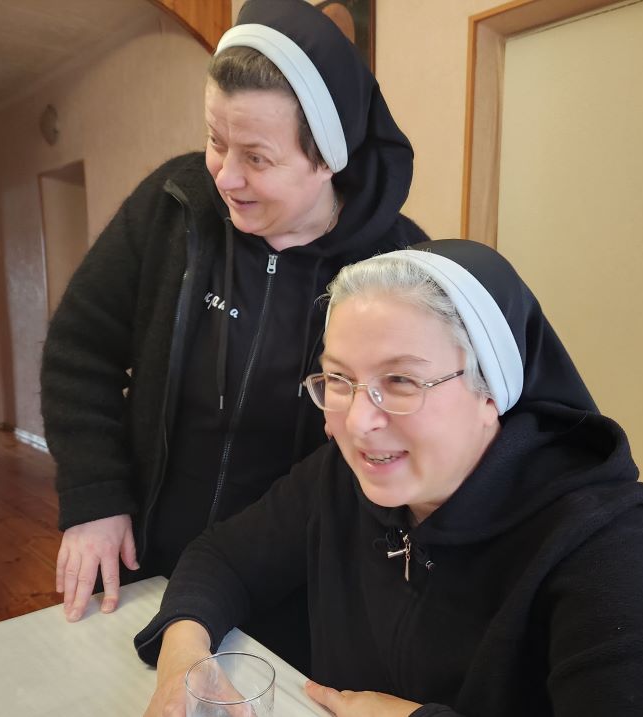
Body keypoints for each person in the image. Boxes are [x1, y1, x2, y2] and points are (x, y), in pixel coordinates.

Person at [135, 239, 643, 717]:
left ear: (490, 390)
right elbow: (224, 556)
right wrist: (185, 652)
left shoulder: (603, 540)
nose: (359, 423)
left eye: (402, 382)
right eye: (338, 380)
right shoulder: (338, 479)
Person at [39, 0, 427, 665]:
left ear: (326, 160)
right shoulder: (175, 205)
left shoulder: (398, 270)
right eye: (217, 140)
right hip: (148, 565)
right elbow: (81, 350)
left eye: (257, 156)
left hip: (304, 597)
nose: (225, 174)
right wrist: (94, 495)